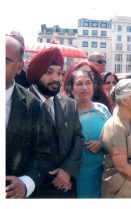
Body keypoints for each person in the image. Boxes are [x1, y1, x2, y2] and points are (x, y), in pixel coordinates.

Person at [26, 47, 84, 198]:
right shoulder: (22, 102)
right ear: (36, 74)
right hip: (36, 190)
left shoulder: (70, 104)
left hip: (67, 186)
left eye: (59, 73)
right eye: (49, 72)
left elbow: (78, 138)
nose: (56, 78)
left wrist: (68, 171)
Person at [6, 35, 50, 198]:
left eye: (5, 61)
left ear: (19, 67)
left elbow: (42, 153)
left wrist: (26, 183)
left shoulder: (33, 104)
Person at [63, 61, 111, 198]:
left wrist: (102, 143)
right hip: (80, 174)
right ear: (71, 88)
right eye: (79, 84)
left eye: (88, 83)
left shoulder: (102, 109)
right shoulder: (66, 112)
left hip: (105, 172)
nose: (85, 87)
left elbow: (115, 135)